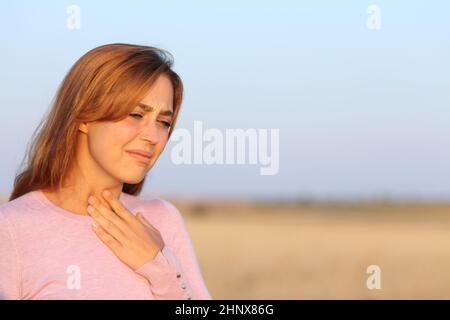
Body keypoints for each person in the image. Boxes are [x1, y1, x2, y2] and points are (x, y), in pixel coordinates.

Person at [0, 43, 212, 300]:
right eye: (136, 115)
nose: (153, 136)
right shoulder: (10, 229)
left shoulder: (162, 219)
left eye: (164, 122)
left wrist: (160, 267)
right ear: (84, 116)